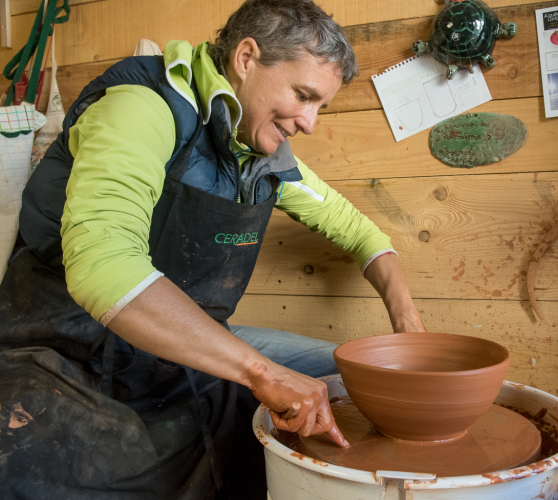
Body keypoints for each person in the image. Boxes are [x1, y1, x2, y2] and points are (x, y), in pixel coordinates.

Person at [0, 0, 425, 498]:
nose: (309, 122)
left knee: (356, 380)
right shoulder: (143, 105)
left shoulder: (259, 158)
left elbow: (363, 235)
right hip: (65, 344)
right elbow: (104, 267)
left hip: (179, 356)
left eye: (320, 106)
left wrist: (409, 327)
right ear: (246, 58)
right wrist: (262, 372)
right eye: (303, 95)